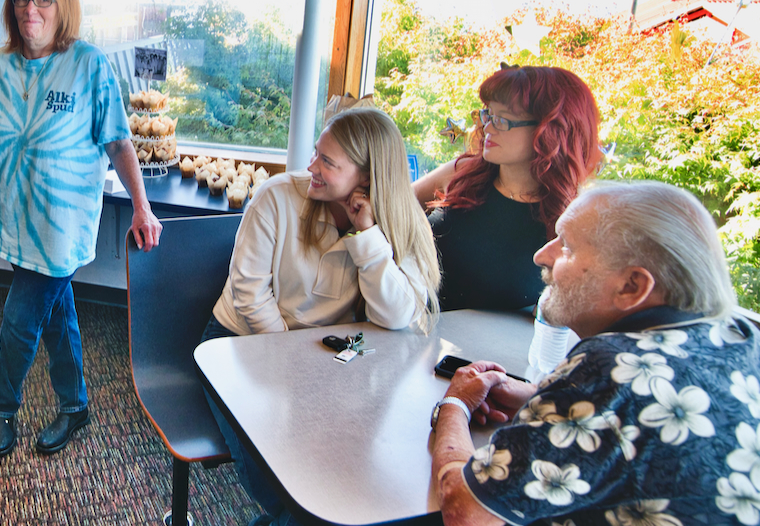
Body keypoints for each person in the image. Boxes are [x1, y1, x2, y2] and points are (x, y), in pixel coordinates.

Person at [429, 181, 759, 525]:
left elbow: (466, 510)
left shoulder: (611, 365)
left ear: (631, 286)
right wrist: (540, 399)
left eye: (567, 247)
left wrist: (455, 406)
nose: (542, 255)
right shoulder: (739, 336)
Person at [204, 105, 441, 525]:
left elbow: (397, 316)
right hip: (240, 344)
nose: (311, 167)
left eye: (327, 162)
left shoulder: (398, 219)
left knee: (343, 471)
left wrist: (366, 235)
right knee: (282, 481)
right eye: (316, 153)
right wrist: (292, 372)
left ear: (366, 180)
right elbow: (250, 295)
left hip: (327, 356)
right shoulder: (276, 197)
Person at [0, 0, 162, 458]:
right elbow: (1, 140)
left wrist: (142, 208)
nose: (29, 10)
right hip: (14, 215)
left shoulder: (88, 64)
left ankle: (1, 409)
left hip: (60, 225)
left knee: (20, 318)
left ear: (63, 9)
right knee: (57, 313)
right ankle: (75, 404)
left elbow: (118, 141)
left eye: (42, 0)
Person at [414, 65, 600, 311]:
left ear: (551, 131)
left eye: (502, 120)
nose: (488, 128)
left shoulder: (574, 219)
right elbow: (391, 209)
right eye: (489, 115)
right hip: (405, 330)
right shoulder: (463, 171)